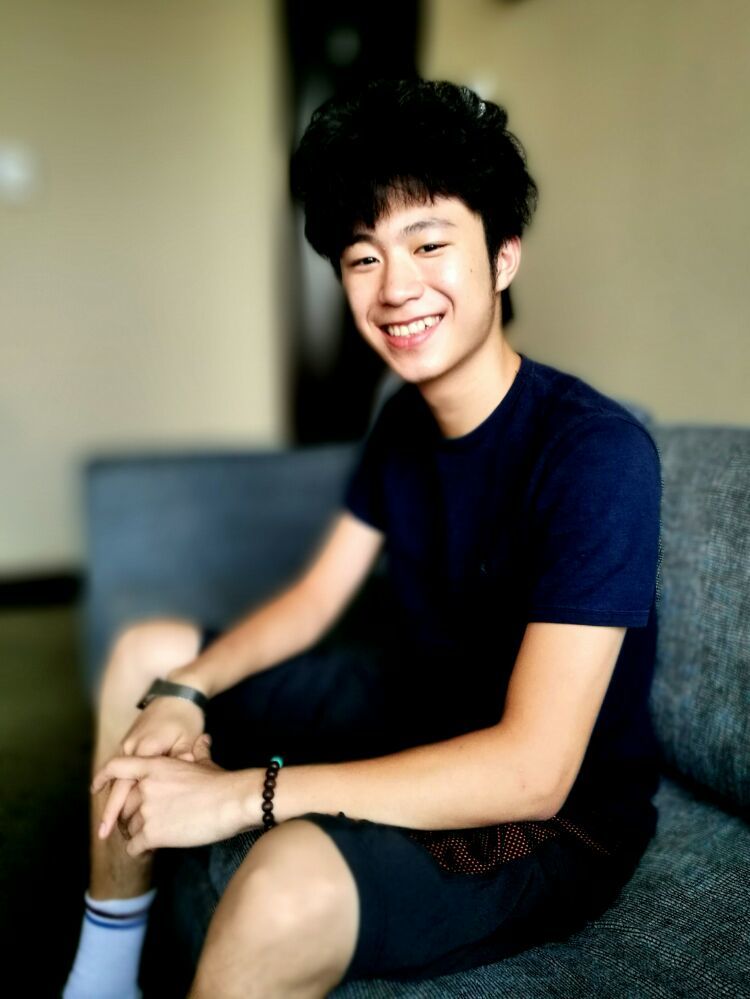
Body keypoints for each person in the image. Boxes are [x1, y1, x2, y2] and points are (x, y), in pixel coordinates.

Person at [64, 79, 662, 999]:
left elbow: (533, 771)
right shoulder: (403, 422)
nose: (396, 287)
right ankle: (102, 977)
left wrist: (240, 796)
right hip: (421, 702)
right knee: (148, 654)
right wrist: (188, 689)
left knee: (281, 886)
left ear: (503, 256)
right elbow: (314, 602)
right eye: (362, 256)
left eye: (429, 243)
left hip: (553, 816)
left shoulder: (595, 453)